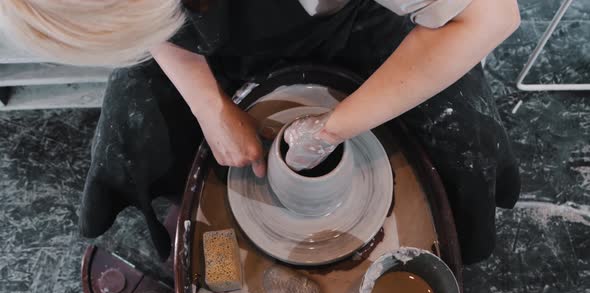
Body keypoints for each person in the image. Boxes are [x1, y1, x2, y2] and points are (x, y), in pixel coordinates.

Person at [0, 0, 521, 264]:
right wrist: (211, 109)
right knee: (131, 126)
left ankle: (444, 250)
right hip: (213, 40)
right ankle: (181, 238)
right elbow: (139, 23)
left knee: (465, 137)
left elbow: (489, 17)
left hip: (356, 20)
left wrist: (333, 129)